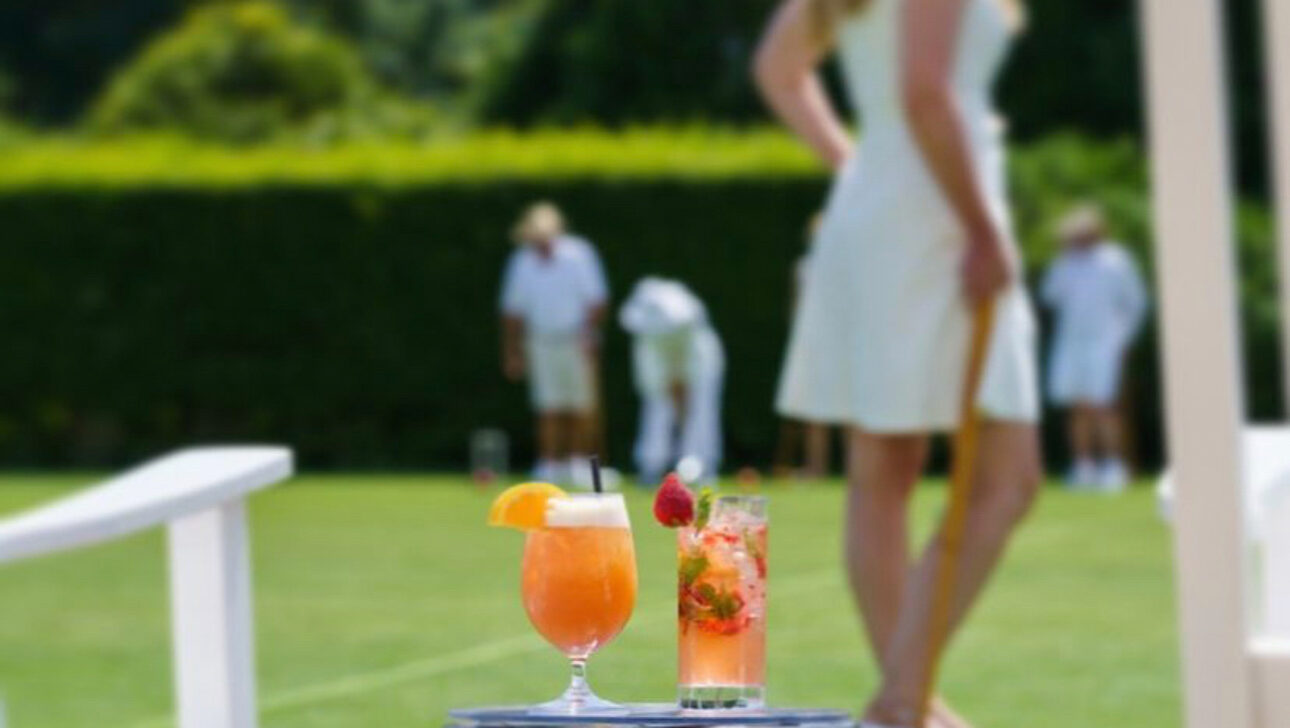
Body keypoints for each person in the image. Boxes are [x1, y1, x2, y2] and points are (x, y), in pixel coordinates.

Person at [755, 1, 1040, 727]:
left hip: (888, 205)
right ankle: (903, 703)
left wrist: (859, 165)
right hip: (932, 217)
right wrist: (981, 227)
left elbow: (777, 70)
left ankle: (906, 702)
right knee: (1001, 476)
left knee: (885, 469)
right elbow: (924, 93)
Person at [499, 202, 609, 486]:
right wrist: (513, 352)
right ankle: (548, 463)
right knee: (548, 404)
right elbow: (512, 311)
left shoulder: (579, 254)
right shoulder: (522, 260)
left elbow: (596, 300)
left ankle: (579, 463)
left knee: (582, 406)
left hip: (576, 338)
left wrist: (588, 333)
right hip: (540, 340)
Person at [1041, 204, 1148, 492]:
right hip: (1071, 342)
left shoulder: (1116, 261)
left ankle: (1114, 467)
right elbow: (1050, 296)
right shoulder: (1065, 263)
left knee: (1103, 407)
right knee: (1078, 408)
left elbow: (1135, 303)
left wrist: (1125, 340)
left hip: (1105, 343)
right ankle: (1083, 467)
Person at [619, 278, 726, 486]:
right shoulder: (646, 336)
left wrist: (681, 386)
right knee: (657, 407)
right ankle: (651, 465)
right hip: (659, 362)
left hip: (699, 362)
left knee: (701, 410)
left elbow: (691, 368)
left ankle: (700, 465)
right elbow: (655, 385)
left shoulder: (690, 323)